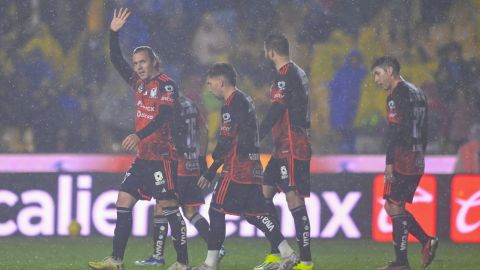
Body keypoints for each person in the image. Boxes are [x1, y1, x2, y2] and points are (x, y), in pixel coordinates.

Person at [88, 8, 189, 270]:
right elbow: (115, 59)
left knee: (168, 208)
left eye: (142, 62)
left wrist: (138, 134)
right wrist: (112, 32)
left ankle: (183, 262)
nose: (138, 67)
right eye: (135, 64)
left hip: (162, 157)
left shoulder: (167, 85)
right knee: (123, 199)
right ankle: (116, 260)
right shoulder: (138, 84)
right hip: (144, 158)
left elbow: (164, 117)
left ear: (154, 62)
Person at [194, 63, 298, 270]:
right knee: (255, 215)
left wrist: (211, 167)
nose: (209, 88)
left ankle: (210, 263)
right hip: (253, 165)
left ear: (221, 82)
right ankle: (288, 253)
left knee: (216, 210)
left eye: (210, 83)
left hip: (236, 167)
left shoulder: (231, 104)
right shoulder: (244, 99)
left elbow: (227, 139)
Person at [134, 93, 225, 266]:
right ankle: (216, 247)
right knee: (190, 212)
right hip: (192, 164)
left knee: (162, 205)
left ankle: (158, 257)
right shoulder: (191, 104)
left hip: (177, 163)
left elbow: (174, 133)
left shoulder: (170, 106)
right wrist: (200, 160)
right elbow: (204, 131)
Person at [371, 56, 438, 270]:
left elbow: (396, 130)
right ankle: (421, 244)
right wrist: (421, 155)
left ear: (390, 71)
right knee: (393, 206)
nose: (375, 80)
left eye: (378, 74)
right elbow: (426, 128)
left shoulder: (396, 95)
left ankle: (404, 260)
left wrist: (389, 162)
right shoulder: (417, 92)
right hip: (417, 157)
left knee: (393, 206)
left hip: (403, 157)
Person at [256, 32, 314, 270]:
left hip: (292, 145)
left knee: (294, 198)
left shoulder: (286, 74)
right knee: (263, 196)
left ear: (271, 51)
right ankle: (277, 254)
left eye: (265, 51)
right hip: (283, 146)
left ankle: (306, 260)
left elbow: (278, 108)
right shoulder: (297, 72)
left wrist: (256, 134)